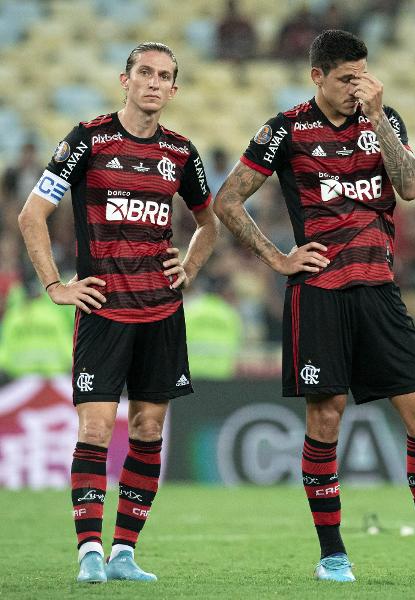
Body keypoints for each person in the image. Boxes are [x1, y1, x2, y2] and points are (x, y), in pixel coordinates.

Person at [214, 29, 415, 582]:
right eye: (345, 79)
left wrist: (378, 119)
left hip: (379, 290)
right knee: (325, 418)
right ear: (316, 76)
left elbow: (411, 187)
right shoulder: (286, 129)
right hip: (319, 294)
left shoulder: (383, 121)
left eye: (362, 77)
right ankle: (332, 556)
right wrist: (277, 258)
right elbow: (227, 200)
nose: (356, 88)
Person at [18, 42, 218, 584]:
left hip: (161, 312)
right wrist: (55, 284)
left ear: (174, 90)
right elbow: (32, 214)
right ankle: (88, 550)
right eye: (145, 73)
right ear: (124, 80)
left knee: (149, 429)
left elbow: (209, 221)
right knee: (98, 428)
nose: (154, 83)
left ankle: (124, 551)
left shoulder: (181, 153)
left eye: (165, 77)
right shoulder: (87, 140)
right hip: (105, 312)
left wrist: (191, 266)